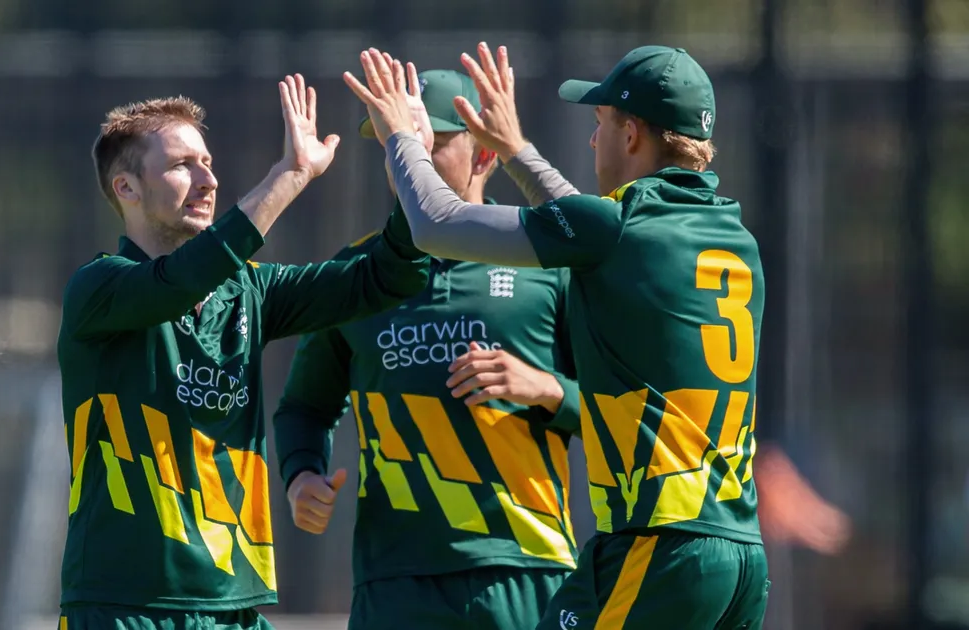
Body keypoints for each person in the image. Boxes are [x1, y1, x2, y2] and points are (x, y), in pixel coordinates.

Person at [344, 43, 770, 629]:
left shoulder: (616, 229)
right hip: (741, 552)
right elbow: (591, 229)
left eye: (601, 124)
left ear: (632, 135)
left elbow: (434, 222)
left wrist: (403, 138)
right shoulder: (732, 236)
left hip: (661, 545)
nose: (594, 141)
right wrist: (517, 151)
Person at [56, 75, 430, 630]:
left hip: (233, 605)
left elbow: (385, 278)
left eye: (208, 162)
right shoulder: (99, 289)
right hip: (125, 606)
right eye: (182, 165)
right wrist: (289, 175)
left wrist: (410, 166)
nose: (207, 180)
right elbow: (181, 280)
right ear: (127, 189)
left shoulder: (249, 290)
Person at [273, 67, 582, 630]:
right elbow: (304, 409)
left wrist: (546, 387)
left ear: (485, 157)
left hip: (521, 567)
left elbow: (624, 407)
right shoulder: (354, 273)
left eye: (431, 145)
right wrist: (301, 477)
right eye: (398, 144)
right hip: (393, 581)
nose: (406, 159)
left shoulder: (546, 262)